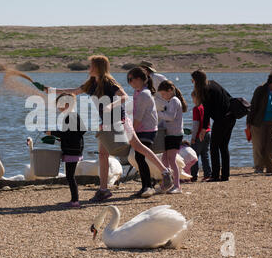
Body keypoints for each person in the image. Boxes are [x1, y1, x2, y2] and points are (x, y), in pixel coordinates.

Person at [43, 55, 174, 201]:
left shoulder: (109, 82)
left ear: (98, 67)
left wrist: (111, 105)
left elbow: (124, 97)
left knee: (137, 146)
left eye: (91, 65)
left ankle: (165, 171)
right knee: (102, 155)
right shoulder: (91, 83)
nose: (89, 68)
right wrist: (52, 90)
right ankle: (103, 190)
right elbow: (74, 91)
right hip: (105, 123)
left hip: (120, 120)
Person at [191, 70, 236, 182]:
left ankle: (215, 175)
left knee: (214, 147)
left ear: (197, 81)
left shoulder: (205, 90)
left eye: (192, 80)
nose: (192, 82)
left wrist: (203, 129)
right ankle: (225, 175)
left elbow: (207, 111)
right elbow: (229, 97)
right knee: (224, 147)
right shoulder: (213, 83)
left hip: (222, 120)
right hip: (231, 117)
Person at [46, 93, 86, 208]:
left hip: (72, 150)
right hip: (75, 148)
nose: (58, 108)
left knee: (70, 176)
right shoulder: (74, 115)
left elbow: (69, 134)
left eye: (60, 105)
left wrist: (52, 133)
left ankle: (75, 201)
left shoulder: (70, 116)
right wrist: (60, 138)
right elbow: (79, 132)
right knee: (70, 175)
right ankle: (74, 200)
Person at [127, 67, 159, 198]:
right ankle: (146, 185)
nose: (129, 82)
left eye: (131, 79)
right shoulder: (138, 92)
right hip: (142, 129)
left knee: (140, 157)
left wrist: (130, 131)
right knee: (139, 158)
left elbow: (139, 117)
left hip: (147, 129)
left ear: (139, 79)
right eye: (128, 80)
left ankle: (148, 186)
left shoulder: (144, 94)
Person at [246, 69, 272, 173]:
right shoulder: (260, 89)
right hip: (258, 122)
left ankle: (270, 168)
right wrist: (248, 122)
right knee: (259, 146)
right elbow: (253, 106)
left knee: (269, 146)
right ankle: (259, 167)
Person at [157, 80, 188, 194]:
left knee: (172, 160)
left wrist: (157, 113)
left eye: (164, 94)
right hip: (169, 134)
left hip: (175, 134)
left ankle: (177, 185)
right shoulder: (169, 101)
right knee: (164, 158)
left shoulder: (174, 101)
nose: (163, 96)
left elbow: (170, 117)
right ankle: (166, 183)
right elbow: (166, 120)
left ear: (170, 91)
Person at [189, 90, 211, 181]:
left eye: (193, 98)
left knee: (194, 156)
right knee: (205, 155)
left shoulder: (196, 108)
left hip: (199, 135)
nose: (192, 100)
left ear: (196, 98)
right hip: (208, 132)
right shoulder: (205, 107)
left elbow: (196, 124)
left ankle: (194, 176)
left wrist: (193, 137)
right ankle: (207, 174)